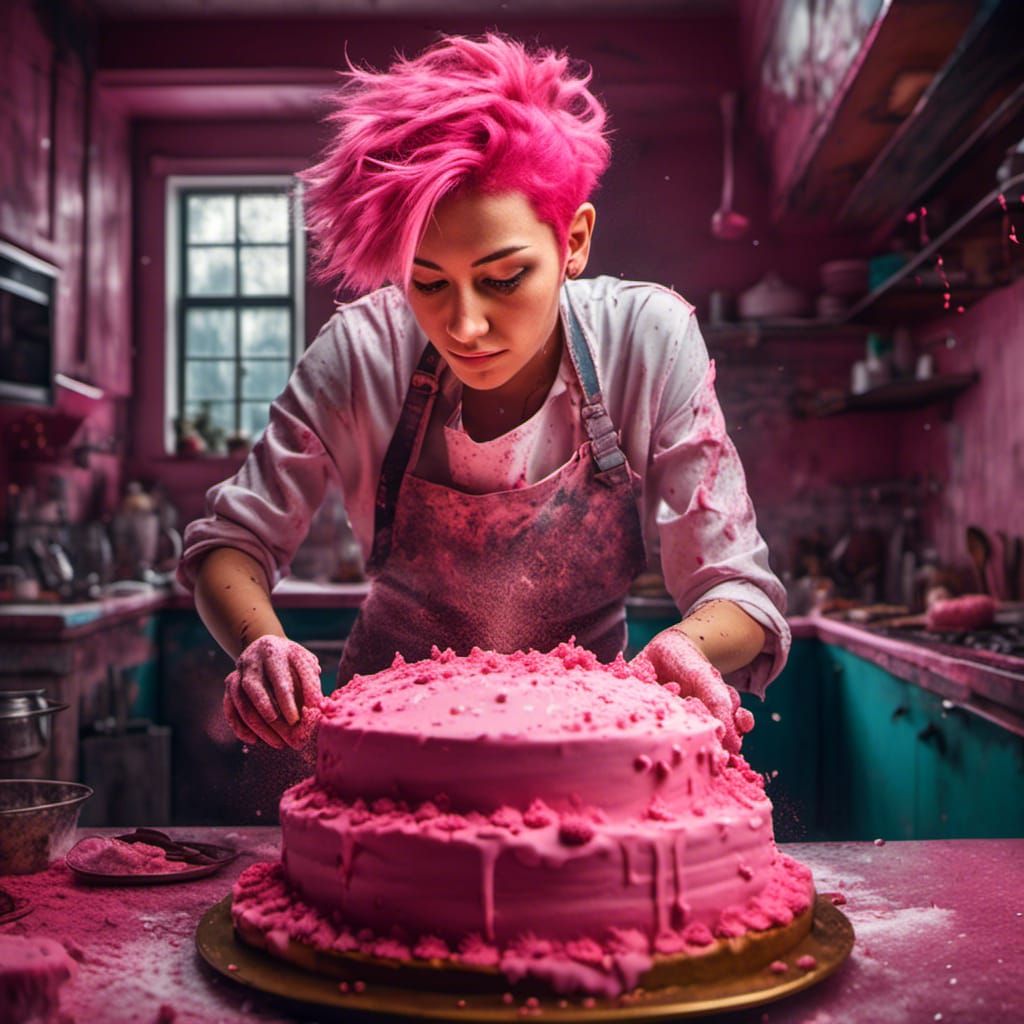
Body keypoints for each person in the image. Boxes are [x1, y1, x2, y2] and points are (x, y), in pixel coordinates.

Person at [177, 31, 790, 759]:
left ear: (575, 241)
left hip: (587, 745)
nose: (464, 325)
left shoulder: (649, 340)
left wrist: (682, 650)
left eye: (503, 278)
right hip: (383, 752)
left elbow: (739, 588)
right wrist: (264, 646)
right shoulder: (359, 352)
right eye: (427, 283)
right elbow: (231, 546)